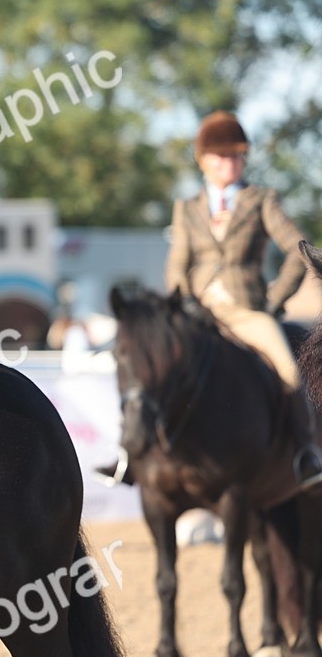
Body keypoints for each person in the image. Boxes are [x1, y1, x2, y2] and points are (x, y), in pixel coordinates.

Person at [97, 111, 322, 489]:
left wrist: (273, 301)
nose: (230, 164)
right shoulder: (187, 208)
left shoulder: (261, 200)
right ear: (203, 161)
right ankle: (131, 457)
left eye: (237, 156)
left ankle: (305, 452)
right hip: (197, 312)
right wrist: (181, 304)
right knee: (150, 368)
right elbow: (177, 266)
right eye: (222, 157)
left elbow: (297, 252)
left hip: (248, 310)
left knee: (287, 370)